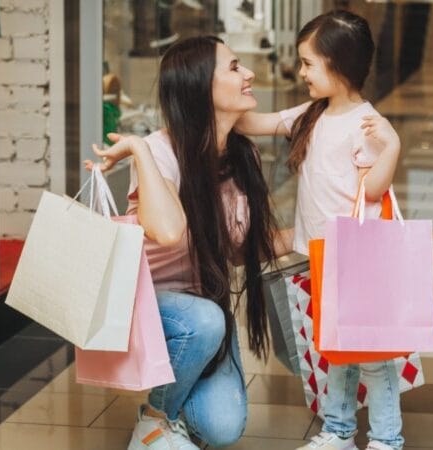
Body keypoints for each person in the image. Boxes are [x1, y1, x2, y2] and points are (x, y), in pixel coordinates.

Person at [86, 36, 293, 450]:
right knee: (205, 321)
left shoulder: (242, 156)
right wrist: (141, 151)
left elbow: (238, 252)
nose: (249, 73)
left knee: (223, 428)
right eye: (235, 67)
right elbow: (167, 231)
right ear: (201, 87)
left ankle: (172, 408)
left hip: (200, 312)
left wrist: (312, 231)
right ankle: (155, 420)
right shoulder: (161, 152)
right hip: (147, 306)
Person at [236, 10, 404, 450]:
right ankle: (340, 430)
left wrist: (393, 146)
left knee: (372, 355)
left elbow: (375, 190)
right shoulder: (313, 113)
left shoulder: (365, 123)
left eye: (309, 63)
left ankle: (387, 439)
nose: (302, 71)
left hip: (356, 259)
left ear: (339, 63)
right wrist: (222, 101)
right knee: (335, 348)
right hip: (321, 256)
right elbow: (260, 124)